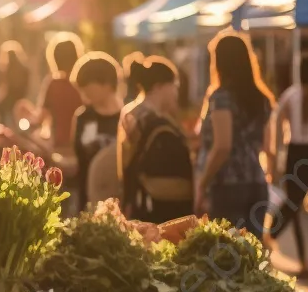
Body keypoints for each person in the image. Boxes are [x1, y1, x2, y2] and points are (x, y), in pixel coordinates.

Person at [194, 33, 275, 238]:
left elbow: (223, 146)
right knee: (252, 256)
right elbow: (267, 145)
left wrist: (202, 183)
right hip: (256, 182)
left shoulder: (221, 97)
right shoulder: (261, 98)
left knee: (227, 257)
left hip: (227, 186)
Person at [266, 55, 308, 278]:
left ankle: (269, 238)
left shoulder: (291, 94)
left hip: (294, 153)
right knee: (295, 206)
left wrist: (278, 155)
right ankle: (301, 259)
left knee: (293, 205)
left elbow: (277, 122)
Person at [118, 56, 193, 222]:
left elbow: (124, 162)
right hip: (158, 204)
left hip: (140, 200)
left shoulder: (131, 112)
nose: (176, 92)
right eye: (174, 86)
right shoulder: (151, 119)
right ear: (160, 87)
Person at [71, 52, 123, 211]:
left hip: (120, 204)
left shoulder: (126, 118)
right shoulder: (83, 117)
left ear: (106, 84)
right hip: (88, 202)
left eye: (88, 87)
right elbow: (77, 160)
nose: (84, 93)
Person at [34, 33, 84, 150]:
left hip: (59, 143)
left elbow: (41, 116)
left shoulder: (53, 84)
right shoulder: (83, 82)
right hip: (81, 142)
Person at [0, 41, 31, 127]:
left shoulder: (9, 68)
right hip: (21, 95)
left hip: (13, 96)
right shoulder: (23, 67)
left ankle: (3, 127)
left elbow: (6, 85)